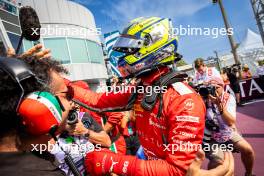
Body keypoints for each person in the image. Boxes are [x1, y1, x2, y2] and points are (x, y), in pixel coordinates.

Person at [62, 17, 234, 176]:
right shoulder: (141, 88)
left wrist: (110, 161)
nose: (124, 57)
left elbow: (175, 170)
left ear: (152, 47)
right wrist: (59, 83)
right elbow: (97, 101)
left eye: (130, 50)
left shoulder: (184, 99)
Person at [202, 76, 255, 176]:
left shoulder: (228, 98)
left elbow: (230, 122)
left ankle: (249, 173)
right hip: (209, 136)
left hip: (226, 131)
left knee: (248, 150)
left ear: (222, 86)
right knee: (218, 162)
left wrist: (219, 105)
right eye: (210, 87)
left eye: (216, 87)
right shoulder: (203, 99)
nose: (213, 90)